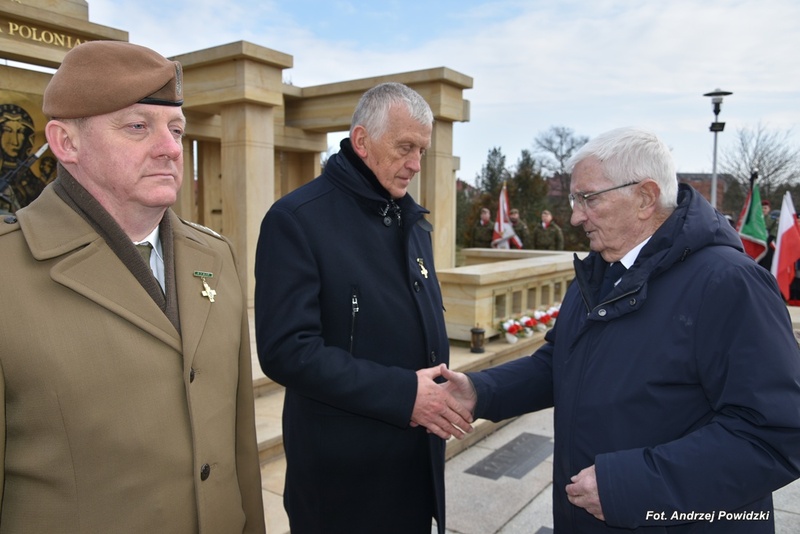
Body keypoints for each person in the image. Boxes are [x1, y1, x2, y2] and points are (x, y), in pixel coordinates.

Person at [440, 127, 800, 533]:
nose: (576, 216)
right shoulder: (600, 273)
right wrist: (480, 391)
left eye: (588, 198)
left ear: (645, 197)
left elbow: (774, 434)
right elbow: (558, 362)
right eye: (576, 199)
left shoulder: (730, 284)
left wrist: (628, 485)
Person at [0, 41, 265, 533]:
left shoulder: (217, 257)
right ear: (66, 142)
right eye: (138, 127)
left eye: (176, 129)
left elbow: (238, 452)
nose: (170, 147)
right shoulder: (6, 272)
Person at [254, 82, 473, 534]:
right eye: (405, 148)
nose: (415, 164)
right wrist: (403, 394)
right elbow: (286, 350)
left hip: (414, 471)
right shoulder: (296, 220)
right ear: (361, 141)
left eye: (422, 150)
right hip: (344, 484)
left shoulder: (414, 223)